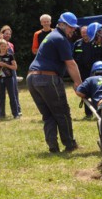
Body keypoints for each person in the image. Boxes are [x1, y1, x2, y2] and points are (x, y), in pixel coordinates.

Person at [27, 12, 82, 153]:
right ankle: (70, 145)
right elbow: (71, 64)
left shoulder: (51, 36)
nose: (73, 30)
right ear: (62, 24)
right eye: (70, 27)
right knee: (62, 112)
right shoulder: (60, 39)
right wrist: (79, 85)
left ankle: (53, 147)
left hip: (32, 79)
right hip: (47, 78)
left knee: (48, 114)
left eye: (74, 28)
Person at [0, 25, 21, 116]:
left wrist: (6, 65)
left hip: (10, 73)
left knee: (13, 92)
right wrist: (0, 40)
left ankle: (17, 111)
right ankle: (1, 113)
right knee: (0, 95)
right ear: (2, 33)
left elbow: (14, 64)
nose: (8, 35)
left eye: (9, 34)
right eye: (6, 33)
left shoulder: (11, 45)